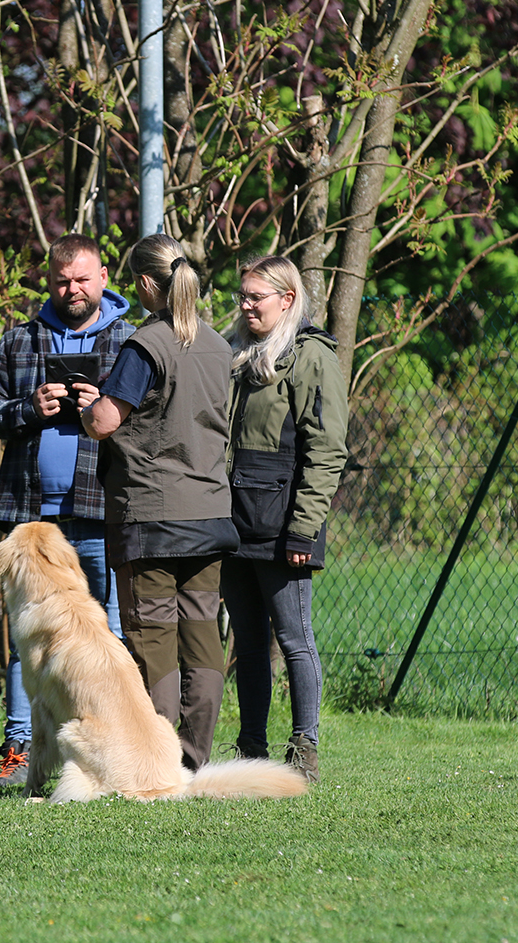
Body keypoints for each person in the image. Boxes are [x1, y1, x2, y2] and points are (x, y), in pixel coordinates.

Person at [0, 233, 134, 787]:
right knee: (29, 641)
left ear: (104, 278)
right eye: (63, 281)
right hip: (31, 522)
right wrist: (28, 407)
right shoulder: (19, 341)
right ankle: (19, 752)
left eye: (83, 279)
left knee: (109, 636)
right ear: (49, 281)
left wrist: (105, 411)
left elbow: (155, 422)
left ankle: (111, 746)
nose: (73, 290)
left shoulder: (131, 342)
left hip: (103, 511)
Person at [81, 233, 239, 771]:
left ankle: (155, 762)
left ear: (147, 284)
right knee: (203, 640)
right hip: (210, 513)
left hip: (152, 516)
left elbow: (106, 422)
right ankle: (193, 763)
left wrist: (91, 407)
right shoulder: (218, 345)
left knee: (153, 640)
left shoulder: (145, 344)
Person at [221, 255, 348, 783]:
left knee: (294, 639)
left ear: (288, 299)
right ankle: (251, 746)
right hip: (232, 522)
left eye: (257, 297)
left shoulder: (311, 355)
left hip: (285, 526)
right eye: (244, 296)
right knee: (247, 643)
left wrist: (303, 528)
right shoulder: (234, 351)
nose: (246, 305)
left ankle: (304, 750)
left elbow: (328, 450)